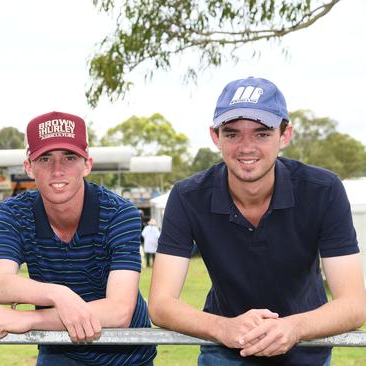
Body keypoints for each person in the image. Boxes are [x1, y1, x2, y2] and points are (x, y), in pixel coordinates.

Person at [148, 77, 366, 365]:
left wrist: (293, 327)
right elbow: (161, 305)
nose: (246, 147)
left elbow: (354, 304)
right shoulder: (188, 196)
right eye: (232, 133)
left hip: (305, 347)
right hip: (224, 348)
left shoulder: (323, 190)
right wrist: (223, 328)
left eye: (262, 134)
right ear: (215, 137)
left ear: (285, 135)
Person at [0, 111, 156, 365]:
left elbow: (119, 311)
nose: (57, 170)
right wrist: (59, 295)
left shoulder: (120, 212)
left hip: (125, 354)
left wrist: (30, 319)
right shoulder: (15, 211)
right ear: (28, 167)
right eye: (44, 159)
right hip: (59, 350)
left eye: (70, 157)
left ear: (87, 164)